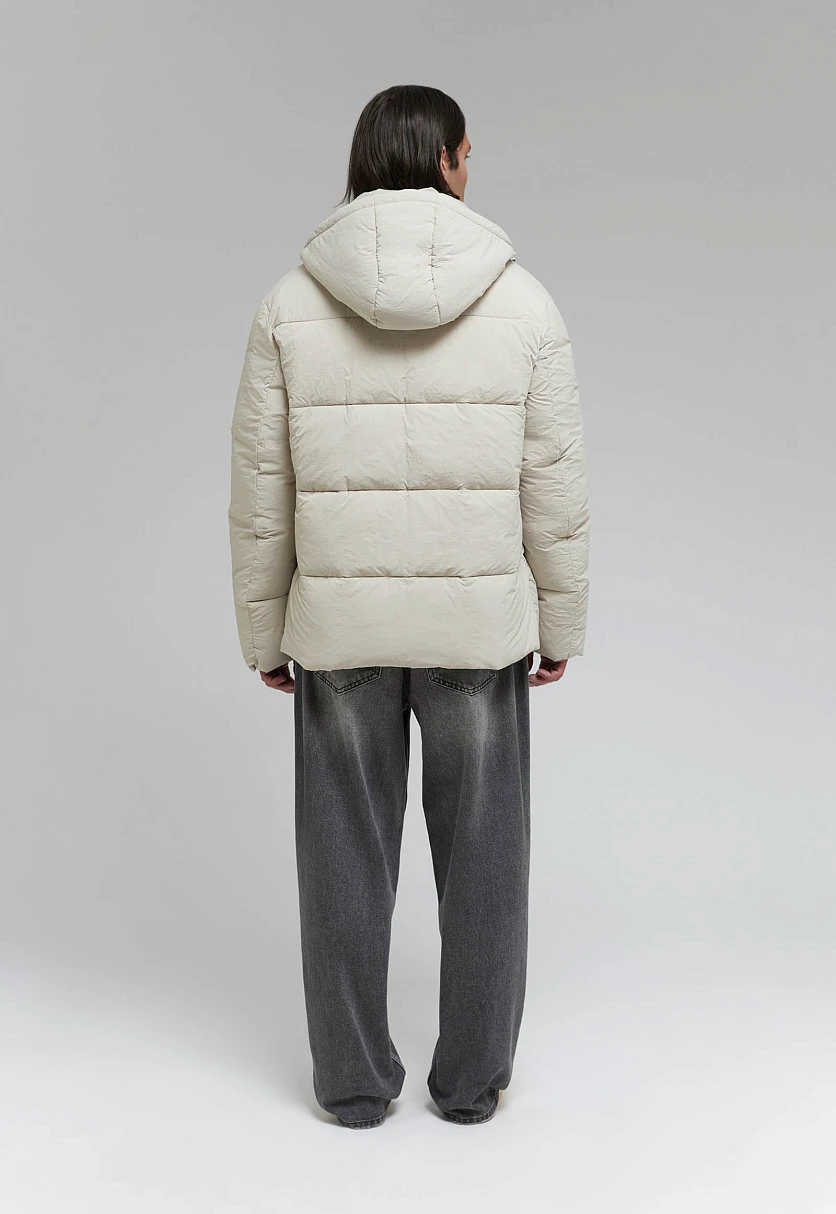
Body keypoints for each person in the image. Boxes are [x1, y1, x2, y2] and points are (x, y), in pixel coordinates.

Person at [228, 84, 590, 1129]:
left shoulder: (289, 305)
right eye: (466, 154)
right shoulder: (522, 302)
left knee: (342, 848)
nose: (471, 170)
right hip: (475, 626)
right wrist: (560, 621)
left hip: (339, 625)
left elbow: (261, 488)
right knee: (486, 857)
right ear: (441, 161)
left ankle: (351, 1083)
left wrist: (263, 629)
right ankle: (471, 1081)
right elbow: (553, 483)